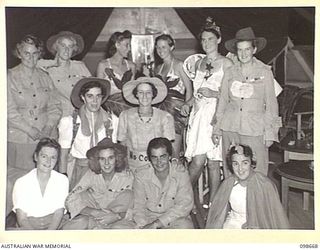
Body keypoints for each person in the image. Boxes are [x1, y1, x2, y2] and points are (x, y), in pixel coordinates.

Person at [212, 27, 281, 177]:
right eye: (240, 50)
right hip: (230, 128)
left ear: (254, 49)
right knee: (231, 171)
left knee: (258, 171)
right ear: (236, 51)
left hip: (255, 129)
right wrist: (217, 129)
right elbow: (222, 101)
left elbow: (272, 105)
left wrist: (271, 133)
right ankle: (232, 200)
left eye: (247, 49)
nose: (243, 54)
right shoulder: (230, 72)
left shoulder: (264, 72)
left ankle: (256, 200)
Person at [7, 35, 62, 216]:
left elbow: (55, 107)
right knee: (20, 185)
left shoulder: (45, 77)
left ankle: (44, 220)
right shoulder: (9, 76)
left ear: (39, 54)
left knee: (44, 184)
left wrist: (48, 127)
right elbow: (8, 110)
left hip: (46, 139)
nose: (30, 58)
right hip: (21, 140)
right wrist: (30, 129)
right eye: (26, 53)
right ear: (19, 54)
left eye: (34, 53)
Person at [182, 17, 233, 201]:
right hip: (198, 117)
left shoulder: (227, 64)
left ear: (218, 40)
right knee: (197, 161)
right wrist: (188, 104)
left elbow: (233, 95)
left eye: (210, 39)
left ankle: (213, 205)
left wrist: (215, 93)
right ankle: (180, 199)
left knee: (213, 162)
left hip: (216, 115)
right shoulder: (198, 63)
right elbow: (196, 93)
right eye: (203, 40)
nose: (206, 43)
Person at [205, 144, 290, 229]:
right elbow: (219, 214)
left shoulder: (264, 184)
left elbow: (274, 217)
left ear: (251, 163)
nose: (240, 169)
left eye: (245, 163)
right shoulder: (228, 184)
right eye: (236, 164)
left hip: (258, 223)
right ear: (231, 165)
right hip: (234, 222)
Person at [58, 77, 118, 190]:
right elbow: (63, 156)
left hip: (104, 171)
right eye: (90, 96)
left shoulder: (112, 121)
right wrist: (63, 180)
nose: (95, 101)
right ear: (83, 98)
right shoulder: (70, 122)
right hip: (81, 171)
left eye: (98, 96)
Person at [63, 138, 134, 229]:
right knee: (80, 216)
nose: (107, 163)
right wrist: (94, 212)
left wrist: (117, 216)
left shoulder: (128, 177)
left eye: (110, 158)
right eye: (102, 159)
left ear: (117, 158)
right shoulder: (91, 175)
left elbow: (138, 207)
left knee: (128, 195)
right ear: (97, 160)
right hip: (94, 218)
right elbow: (70, 199)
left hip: (118, 220)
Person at [133, 137, 194, 229]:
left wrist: (158, 223)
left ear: (169, 156)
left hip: (174, 219)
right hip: (148, 219)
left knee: (186, 228)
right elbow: (138, 207)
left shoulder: (180, 174)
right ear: (149, 159)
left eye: (163, 156)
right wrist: (144, 226)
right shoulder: (141, 176)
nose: (159, 162)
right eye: (154, 157)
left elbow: (184, 205)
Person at [118, 77, 175, 172]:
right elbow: (122, 144)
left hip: (157, 167)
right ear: (136, 94)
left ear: (153, 94)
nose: (145, 96)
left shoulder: (165, 117)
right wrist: (125, 167)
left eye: (148, 92)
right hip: (133, 167)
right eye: (141, 92)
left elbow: (169, 146)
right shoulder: (125, 115)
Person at [11, 138, 69, 230]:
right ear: (36, 157)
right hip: (29, 226)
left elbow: (59, 212)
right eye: (44, 156)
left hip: (55, 225)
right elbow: (22, 219)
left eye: (53, 157)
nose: (48, 161)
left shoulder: (62, 180)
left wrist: (48, 235)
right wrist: (37, 237)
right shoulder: (21, 182)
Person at [153, 34, 193, 158]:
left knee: (175, 153)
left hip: (175, 113)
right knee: (162, 152)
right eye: (158, 47)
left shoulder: (179, 65)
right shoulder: (158, 69)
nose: (161, 50)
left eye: (164, 47)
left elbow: (190, 89)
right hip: (160, 113)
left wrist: (186, 110)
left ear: (172, 47)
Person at [37, 31, 91, 117]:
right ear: (56, 47)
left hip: (81, 115)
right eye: (63, 46)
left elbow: (92, 89)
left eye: (70, 46)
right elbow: (30, 65)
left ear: (74, 49)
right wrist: (54, 63)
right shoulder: (46, 67)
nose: (66, 50)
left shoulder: (80, 66)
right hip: (59, 116)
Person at [97, 30, 136, 116]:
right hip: (109, 110)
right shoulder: (103, 65)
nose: (129, 49)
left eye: (130, 45)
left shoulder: (131, 66)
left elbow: (132, 92)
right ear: (117, 45)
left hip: (128, 109)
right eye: (127, 45)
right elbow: (99, 93)